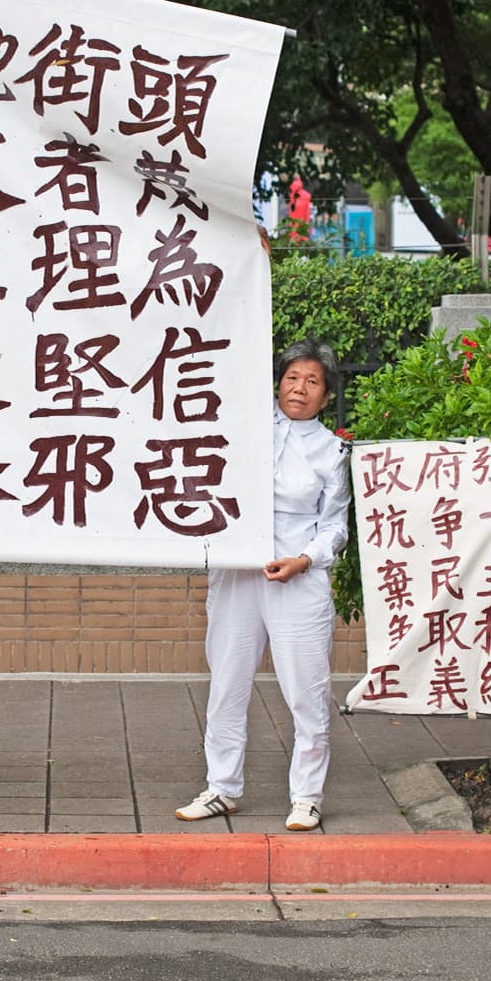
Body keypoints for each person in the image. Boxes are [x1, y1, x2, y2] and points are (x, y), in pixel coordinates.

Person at [177, 338, 351, 832]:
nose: (300, 388)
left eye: (312, 381)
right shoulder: (242, 431)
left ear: (325, 394)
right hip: (236, 575)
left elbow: (335, 525)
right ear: (278, 381)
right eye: (293, 377)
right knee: (227, 684)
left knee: (306, 691)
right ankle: (222, 788)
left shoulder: (332, 450)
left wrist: (304, 559)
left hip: (298, 579)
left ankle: (307, 797)